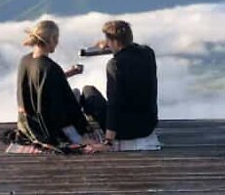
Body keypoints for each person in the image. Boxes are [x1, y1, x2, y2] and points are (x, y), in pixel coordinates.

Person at [15, 20, 96, 153]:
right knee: (82, 94)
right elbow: (64, 106)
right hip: (48, 129)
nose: (57, 43)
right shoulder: (50, 68)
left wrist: (67, 74)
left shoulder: (25, 60)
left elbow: (39, 86)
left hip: (27, 124)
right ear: (52, 39)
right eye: (56, 39)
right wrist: (83, 129)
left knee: (75, 92)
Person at [81, 20, 158, 152]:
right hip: (147, 125)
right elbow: (133, 49)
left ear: (115, 42)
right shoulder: (148, 53)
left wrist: (109, 141)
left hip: (124, 130)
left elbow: (114, 103)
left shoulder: (115, 64)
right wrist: (113, 45)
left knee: (88, 92)